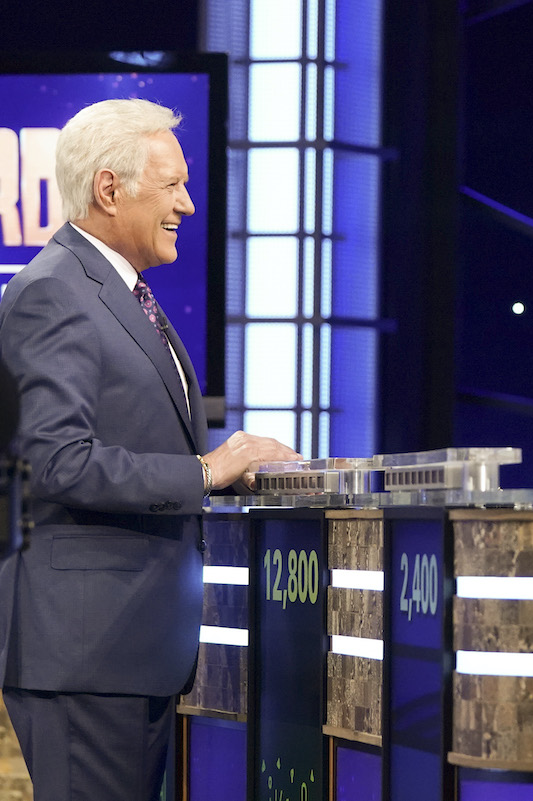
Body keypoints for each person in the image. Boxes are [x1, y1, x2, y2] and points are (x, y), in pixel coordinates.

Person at [0, 98, 300, 800]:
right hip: (86, 653)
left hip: (127, 650)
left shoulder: (116, 290)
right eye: (171, 186)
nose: (188, 205)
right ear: (110, 189)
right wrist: (205, 469)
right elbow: (55, 459)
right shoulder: (55, 292)